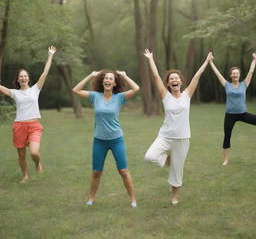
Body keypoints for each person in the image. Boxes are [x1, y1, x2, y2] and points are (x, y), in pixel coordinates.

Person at [144, 49, 212, 205]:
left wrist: (207, 62)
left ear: (180, 82)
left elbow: (197, 76)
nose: (174, 80)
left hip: (182, 138)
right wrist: (150, 59)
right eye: (171, 79)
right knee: (150, 156)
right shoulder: (165, 96)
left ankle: (174, 197)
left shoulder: (187, 95)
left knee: (177, 169)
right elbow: (155, 76)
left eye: (176, 78)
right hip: (165, 136)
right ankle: (166, 158)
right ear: (168, 84)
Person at [73, 70, 139, 207]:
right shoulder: (95, 96)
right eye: (106, 78)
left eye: (111, 79)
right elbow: (76, 90)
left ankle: (133, 200)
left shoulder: (119, 97)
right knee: (96, 172)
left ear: (114, 83)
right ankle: (91, 199)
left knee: (123, 171)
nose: (108, 80)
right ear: (102, 81)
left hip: (116, 140)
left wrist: (125, 75)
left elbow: (136, 88)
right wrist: (90, 75)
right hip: (99, 141)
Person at [0, 46, 57, 183]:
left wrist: (50, 55)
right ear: (18, 79)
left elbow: (45, 72)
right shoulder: (14, 92)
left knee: (34, 152)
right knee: (21, 156)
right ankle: (25, 175)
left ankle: (38, 164)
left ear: (28, 78)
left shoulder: (35, 89)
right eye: (21, 76)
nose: (23, 78)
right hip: (19, 125)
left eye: (25, 76)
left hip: (34, 125)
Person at [209, 53, 256, 165]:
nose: (235, 75)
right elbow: (217, 74)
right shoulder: (227, 85)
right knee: (227, 136)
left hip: (243, 114)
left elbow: (251, 72)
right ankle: (225, 160)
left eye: (237, 73)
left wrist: (254, 60)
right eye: (233, 73)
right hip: (230, 115)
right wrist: (210, 62)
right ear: (231, 75)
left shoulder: (244, 84)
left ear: (239, 75)